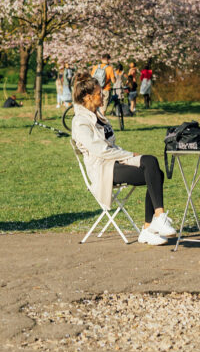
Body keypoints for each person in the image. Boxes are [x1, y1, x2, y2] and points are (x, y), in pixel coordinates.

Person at [71, 72, 175, 245]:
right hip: (102, 169)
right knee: (155, 173)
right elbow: (101, 151)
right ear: (88, 97)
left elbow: (111, 147)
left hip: (115, 161)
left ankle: (154, 222)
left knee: (151, 163)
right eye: (99, 93)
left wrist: (129, 155)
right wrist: (129, 155)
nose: (103, 96)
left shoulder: (98, 116)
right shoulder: (80, 122)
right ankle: (154, 223)